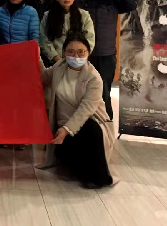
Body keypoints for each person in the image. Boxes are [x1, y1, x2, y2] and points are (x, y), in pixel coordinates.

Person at [40, 33, 115, 189]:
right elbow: (42, 78)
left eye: (81, 52)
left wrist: (67, 130)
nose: (76, 56)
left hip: (89, 122)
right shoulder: (59, 67)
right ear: (64, 53)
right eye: (71, 52)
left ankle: (100, 178)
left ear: (88, 53)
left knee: (90, 129)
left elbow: (85, 109)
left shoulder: (94, 77)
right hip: (63, 124)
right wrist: (35, 56)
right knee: (68, 164)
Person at [76, 0, 136, 119]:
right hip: (85, 54)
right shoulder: (82, 1)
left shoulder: (112, 0)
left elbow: (132, 4)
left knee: (104, 90)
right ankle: (86, 121)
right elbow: (63, 3)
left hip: (107, 53)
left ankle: (106, 120)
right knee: (84, 90)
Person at [40, 0, 95, 64]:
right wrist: (56, 57)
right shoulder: (48, 15)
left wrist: (80, 56)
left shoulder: (84, 15)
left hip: (78, 60)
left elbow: (90, 38)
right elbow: (44, 39)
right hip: (55, 61)